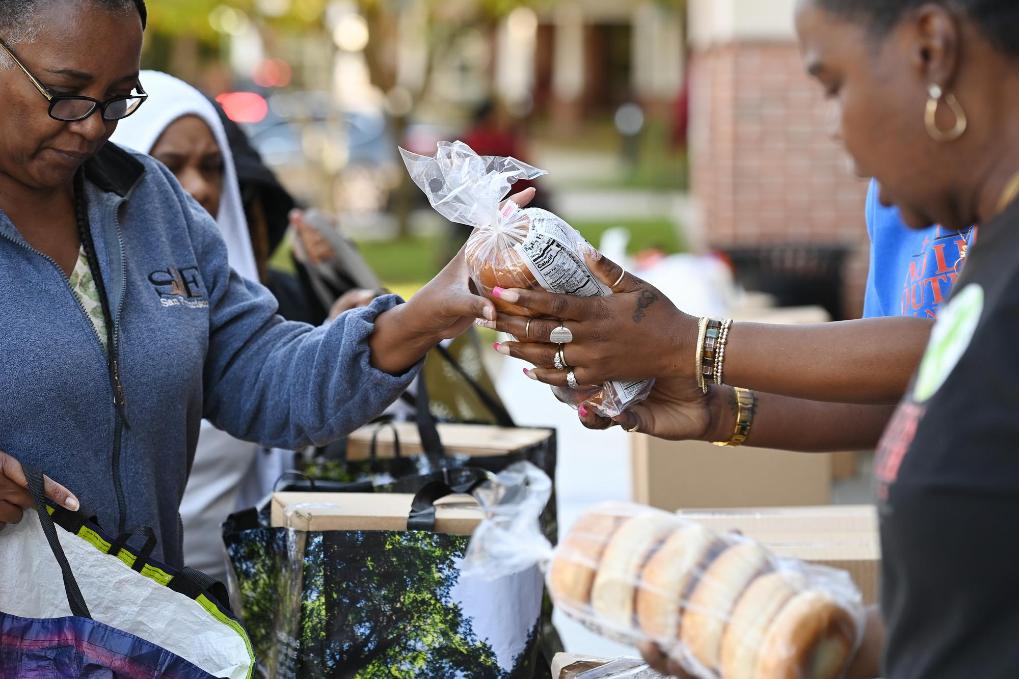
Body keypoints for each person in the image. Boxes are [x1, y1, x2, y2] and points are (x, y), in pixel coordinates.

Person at [523, 0, 1019, 676]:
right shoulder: (989, 245)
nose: (835, 134)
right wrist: (718, 408)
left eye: (833, 85)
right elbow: (932, 400)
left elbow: (940, 356)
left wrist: (691, 343)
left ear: (929, 51)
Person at [0, 0, 533, 573]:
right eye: (66, 90)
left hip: (136, 640)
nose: (92, 124)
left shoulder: (150, 200)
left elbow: (260, 374)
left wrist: (417, 319)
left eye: (118, 96)